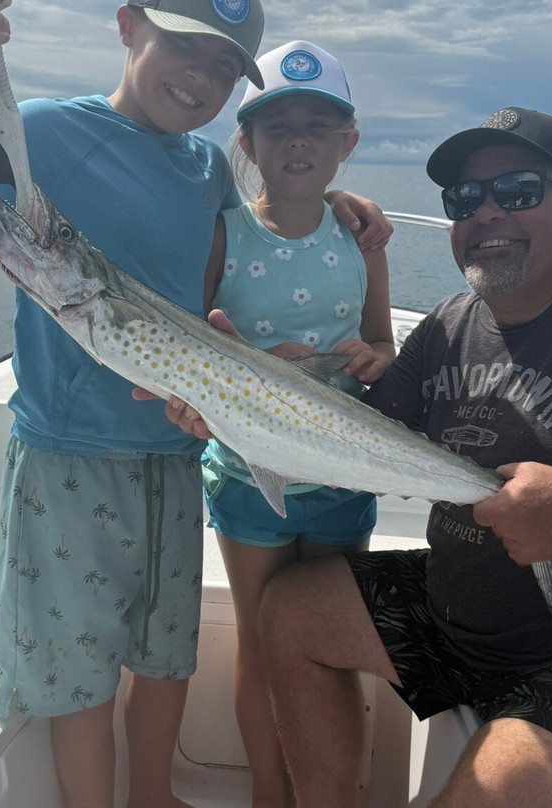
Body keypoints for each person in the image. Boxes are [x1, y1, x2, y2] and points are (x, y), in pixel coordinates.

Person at [160, 107, 552, 807]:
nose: (487, 212)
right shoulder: (449, 327)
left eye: (518, 191)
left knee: (505, 783)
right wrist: (234, 397)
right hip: (464, 623)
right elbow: (354, 439)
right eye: (464, 200)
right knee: (291, 610)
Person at [0, 2, 392, 806]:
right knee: (79, 669)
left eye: (223, 69)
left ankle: (155, 796)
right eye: (185, 47)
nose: (201, 79)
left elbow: (241, 258)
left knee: (165, 653)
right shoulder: (43, 133)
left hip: (179, 454)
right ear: (129, 25)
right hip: (68, 456)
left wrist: (351, 208)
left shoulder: (206, 171)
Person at [199, 40, 394, 807]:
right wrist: (247, 358)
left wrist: (374, 358)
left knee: (329, 645)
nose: (299, 141)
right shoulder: (223, 232)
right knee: (259, 641)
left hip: (341, 470)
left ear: (347, 145)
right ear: (247, 143)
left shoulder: (362, 239)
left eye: (319, 126)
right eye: (277, 128)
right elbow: (198, 339)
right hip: (248, 471)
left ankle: (333, 789)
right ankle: (268, 794)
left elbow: (381, 339)